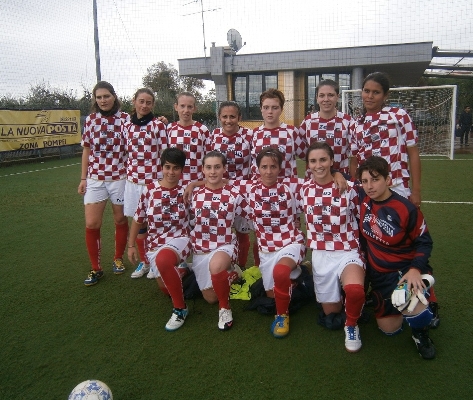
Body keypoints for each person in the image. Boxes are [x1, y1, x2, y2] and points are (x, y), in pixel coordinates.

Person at [357, 156, 436, 359]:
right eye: (365, 181)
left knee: (418, 313)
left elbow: (424, 242)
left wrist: (415, 269)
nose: (369, 186)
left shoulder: (406, 208)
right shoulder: (364, 198)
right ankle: (385, 298)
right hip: (379, 274)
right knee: (389, 330)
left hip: (403, 272)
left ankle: (420, 332)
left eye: (375, 179)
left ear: (388, 180)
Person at [234, 147, 306, 338]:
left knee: (280, 272)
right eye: (264, 167)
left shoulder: (291, 185)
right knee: (271, 295)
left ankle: (282, 316)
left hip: (291, 242)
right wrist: (195, 184)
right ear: (257, 168)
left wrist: (338, 175)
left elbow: (320, 183)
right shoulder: (248, 187)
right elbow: (218, 181)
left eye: (273, 167)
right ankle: (299, 273)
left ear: (280, 168)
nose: (268, 171)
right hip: (267, 250)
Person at [301, 142, 365, 352]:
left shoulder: (350, 188)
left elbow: (365, 213)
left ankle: (352, 326)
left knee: (354, 291)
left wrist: (339, 175)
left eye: (323, 160)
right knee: (331, 312)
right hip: (321, 254)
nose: (318, 165)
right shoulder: (302, 189)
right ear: (308, 164)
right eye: (313, 161)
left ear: (331, 161)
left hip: (348, 250)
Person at [127, 148, 192, 332]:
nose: (171, 172)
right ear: (161, 167)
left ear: (182, 170)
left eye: (176, 168)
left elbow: (217, 181)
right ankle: (184, 269)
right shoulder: (150, 190)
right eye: (167, 167)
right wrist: (131, 245)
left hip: (181, 238)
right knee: (166, 290)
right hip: (155, 244)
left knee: (164, 260)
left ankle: (180, 309)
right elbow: (138, 219)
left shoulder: (187, 190)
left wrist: (195, 183)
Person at [78, 81, 129, 286]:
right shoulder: (91, 120)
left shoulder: (125, 119)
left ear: (114, 96)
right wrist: (83, 178)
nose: (103, 100)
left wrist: (160, 120)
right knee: (92, 223)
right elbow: (86, 150)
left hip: (120, 178)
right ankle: (96, 268)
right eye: (99, 97)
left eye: (106, 96)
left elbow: (143, 129)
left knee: (120, 219)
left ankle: (118, 258)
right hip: (95, 179)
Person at [190, 151, 246, 331]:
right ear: (203, 169)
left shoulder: (235, 193)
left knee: (216, 267)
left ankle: (225, 309)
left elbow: (248, 217)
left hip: (225, 245)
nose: (213, 171)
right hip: (201, 249)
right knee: (210, 298)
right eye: (208, 167)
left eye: (217, 167)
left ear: (224, 169)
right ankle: (233, 273)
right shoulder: (193, 193)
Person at [349, 72, 422, 208]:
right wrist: (357, 187)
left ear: (385, 95)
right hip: (368, 190)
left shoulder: (399, 116)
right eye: (366, 91)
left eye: (376, 92)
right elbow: (354, 161)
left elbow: (413, 153)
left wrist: (416, 190)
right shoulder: (356, 124)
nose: (370, 96)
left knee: (403, 221)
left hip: (396, 186)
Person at [123, 88, 168, 279]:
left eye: (148, 102)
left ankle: (157, 261)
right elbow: (125, 153)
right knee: (139, 222)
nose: (144, 105)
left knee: (156, 222)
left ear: (153, 105)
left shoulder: (158, 126)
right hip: (133, 182)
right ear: (134, 101)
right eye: (141, 101)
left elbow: (165, 154)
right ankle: (145, 261)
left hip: (153, 182)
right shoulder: (126, 126)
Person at [205, 101, 253, 268]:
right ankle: (224, 265)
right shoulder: (213, 136)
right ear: (219, 117)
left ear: (239, 117)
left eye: (232, 116)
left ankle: (241, 266)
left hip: (242, 192)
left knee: (242, 232)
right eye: (224, 116)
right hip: (220, 192)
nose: (228, 120)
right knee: (220, 230)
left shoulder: (249, 135)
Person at [299, 79, 353, 177]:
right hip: (313, 180)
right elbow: (303, 153)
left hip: (341, 179)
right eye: (322, 95)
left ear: (337, 97)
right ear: (317, 98)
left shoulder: (348, 121)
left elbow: (354, 154)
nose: (326, 99)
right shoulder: (307, 122)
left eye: (330, 95)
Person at [250, 88, 306, 180]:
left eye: (275, 108)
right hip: (260, 187)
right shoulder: (254, 133)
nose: (270, 111)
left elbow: (306, 156)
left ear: (281, 109)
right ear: (261, 109)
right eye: (266, 107)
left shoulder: (291, 132)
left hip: (286, 186)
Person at [166, 92, 210, 187]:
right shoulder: (169, 129)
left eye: (189, 107)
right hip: (175, 183)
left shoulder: (202, 130)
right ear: (176, 107)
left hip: (197, 183)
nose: (186, 110)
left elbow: (209, 158)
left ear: (194, 108)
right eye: (182, 106)